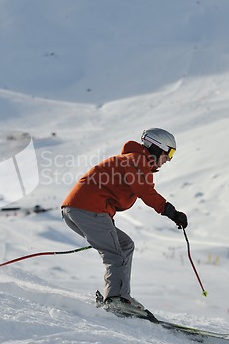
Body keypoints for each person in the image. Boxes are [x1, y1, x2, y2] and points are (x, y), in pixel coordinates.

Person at [61, 128, 188, 313]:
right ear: (157, 148)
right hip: (87, 210)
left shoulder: (132, 161)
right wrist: (172, 212)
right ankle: (115, 300)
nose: (169, 159)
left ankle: (121, 296)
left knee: (125, 245)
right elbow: (145, 191)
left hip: (80, 210)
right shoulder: (136, 160)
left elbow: (107, 191)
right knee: (115, 254)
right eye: (169, 153)